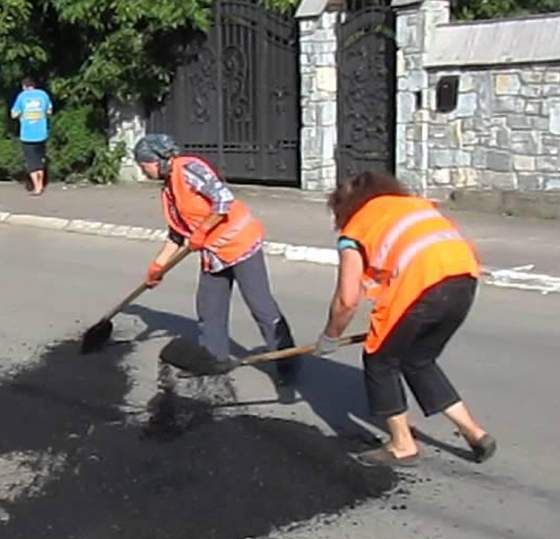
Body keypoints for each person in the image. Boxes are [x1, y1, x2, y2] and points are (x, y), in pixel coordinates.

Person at [315, 171, 496, 467]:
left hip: (422, 288)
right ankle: (475, 434)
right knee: (418, 360)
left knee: (379, 360)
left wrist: (330, 337)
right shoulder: (415, 206)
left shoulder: (357, 229)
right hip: (464, 281)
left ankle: (402, 445)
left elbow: (347, 300)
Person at [134, 133, 297, 384]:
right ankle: (214, 359)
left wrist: (201, 231)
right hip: (214, 252)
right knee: (209, 308)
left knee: (260, 306)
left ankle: (287, 362)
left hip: (240, 244)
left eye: (144, 165)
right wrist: (158, 266)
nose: (143, 171)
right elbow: (177, 234)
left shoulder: (189, 169)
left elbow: (223, 200)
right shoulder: (168, 190)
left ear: (158, 160)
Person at [10, 77, 53, 196]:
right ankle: (41, 184)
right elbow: (49, 111)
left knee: (31, 162)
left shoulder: (22, 96)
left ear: (24, 86)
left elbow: (14, 114)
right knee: (40, 160)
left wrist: (21, 115)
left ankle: (37, 187)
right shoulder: (43, 95)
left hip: (27, 134)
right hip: (41, 133)